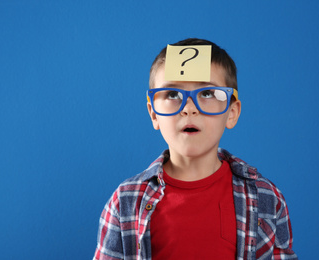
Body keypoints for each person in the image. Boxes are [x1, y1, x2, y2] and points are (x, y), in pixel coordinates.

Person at [93, 38, 297, 260]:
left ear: (232, 112)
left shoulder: (266, 197)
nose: (189, 108)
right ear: (153, 114)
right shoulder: (125, 202)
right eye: (172, 95)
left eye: (207, 93)